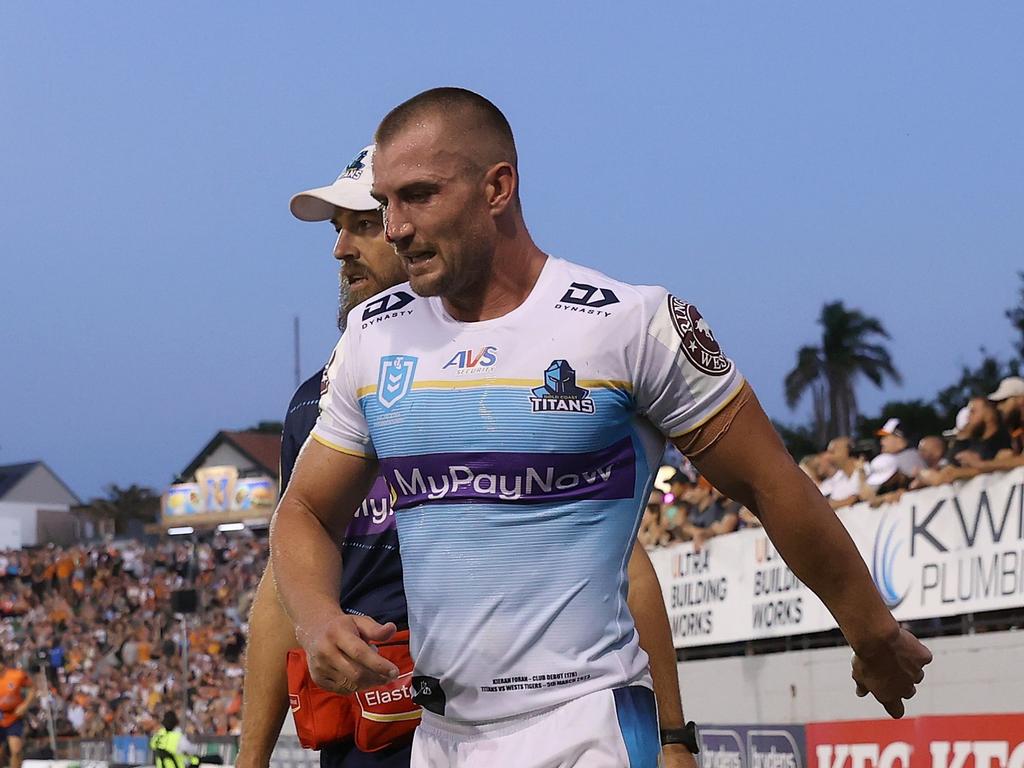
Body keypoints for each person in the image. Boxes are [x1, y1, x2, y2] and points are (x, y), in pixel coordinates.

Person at [271, 88, 931, 767]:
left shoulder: (629, 323)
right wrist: (317, 616)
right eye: (386, 204)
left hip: (589, 726)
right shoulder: (374, 339)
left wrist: (871, 630)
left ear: (497, 187)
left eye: (419, 196)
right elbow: (307, 511)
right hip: (442, 738)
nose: (398, 226)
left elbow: (771, 484)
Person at [240, 145, 697, 768]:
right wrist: (250, 757)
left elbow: (624, 571)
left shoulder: (512, 375)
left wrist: (672, 736)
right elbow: (281, 579)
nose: (343, 249)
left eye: (364, 224)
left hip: (517, 721)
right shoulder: (310, 405)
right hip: (368, 733)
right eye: (339, 228)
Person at [0, 655, 34, 768]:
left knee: (16, 750)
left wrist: (25, 705)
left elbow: (33, 688)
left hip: (13, 716)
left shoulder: (16, 675)